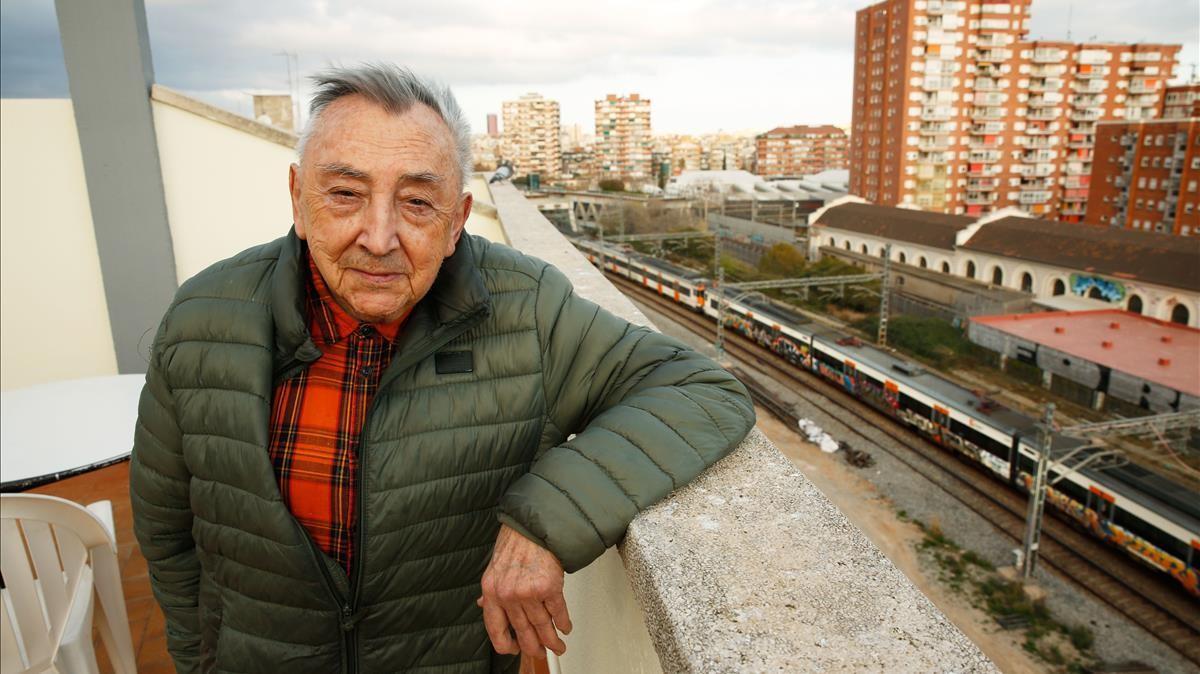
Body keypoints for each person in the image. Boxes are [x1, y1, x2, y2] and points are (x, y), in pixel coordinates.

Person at [130, 63, 755, 674]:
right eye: (345, 193)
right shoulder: (201, 317)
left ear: (457, 221)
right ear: (298, 198)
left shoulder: (524, 309)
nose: (378, 237)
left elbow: (699, 389)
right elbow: (167, 529)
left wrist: (545, 522)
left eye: (417, 202)